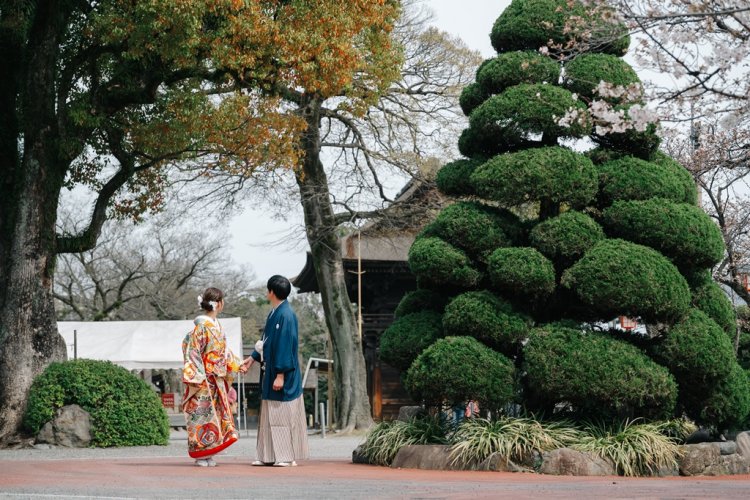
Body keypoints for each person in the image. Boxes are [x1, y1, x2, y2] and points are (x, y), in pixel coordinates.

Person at [241, 275, 309, 467]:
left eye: (267, 289)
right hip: (270, 370)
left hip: (283, 374)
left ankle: (286, 456)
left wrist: (280, 374)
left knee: (282, 415)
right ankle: (268, 455)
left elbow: (285, 346)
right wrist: (252, 358)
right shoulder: (274, 313)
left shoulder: (286, 315)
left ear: (272, 292)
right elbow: (267, 341)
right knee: (270, 414)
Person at [182, 287, 242, 467]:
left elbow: (224, 353)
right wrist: (198, 376)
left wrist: (238, 364)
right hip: (203, 380)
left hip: (216, 380)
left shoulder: (216, 327)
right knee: (202, 415)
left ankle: (209, 452)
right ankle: (201, 453)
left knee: (214, 416)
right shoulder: (201, 328)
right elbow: (192, 352)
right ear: (219, 304)